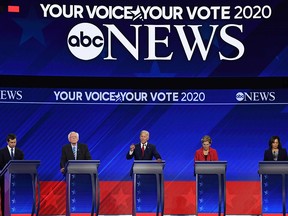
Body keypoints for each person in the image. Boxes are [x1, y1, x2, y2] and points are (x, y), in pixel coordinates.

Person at [0, 133, 24, 216]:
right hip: (5, 179)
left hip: (16, 179)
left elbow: (22, 165)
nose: (13, 144)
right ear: (7, 142)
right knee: (5, 198)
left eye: (14, 142)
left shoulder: (20, 153)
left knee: (15, 198)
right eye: (11, 142)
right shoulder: (1, 152)